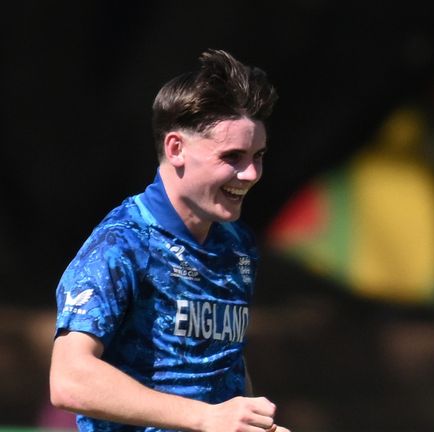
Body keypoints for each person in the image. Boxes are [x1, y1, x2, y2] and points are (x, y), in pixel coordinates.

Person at [50, 49, 290, 432]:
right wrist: (205, 418)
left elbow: (223, 364)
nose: (250, 174)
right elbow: (69, 380)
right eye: (233, 157)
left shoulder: (236, 245)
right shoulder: (122, 245)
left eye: (258, 155)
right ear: (176, 148)